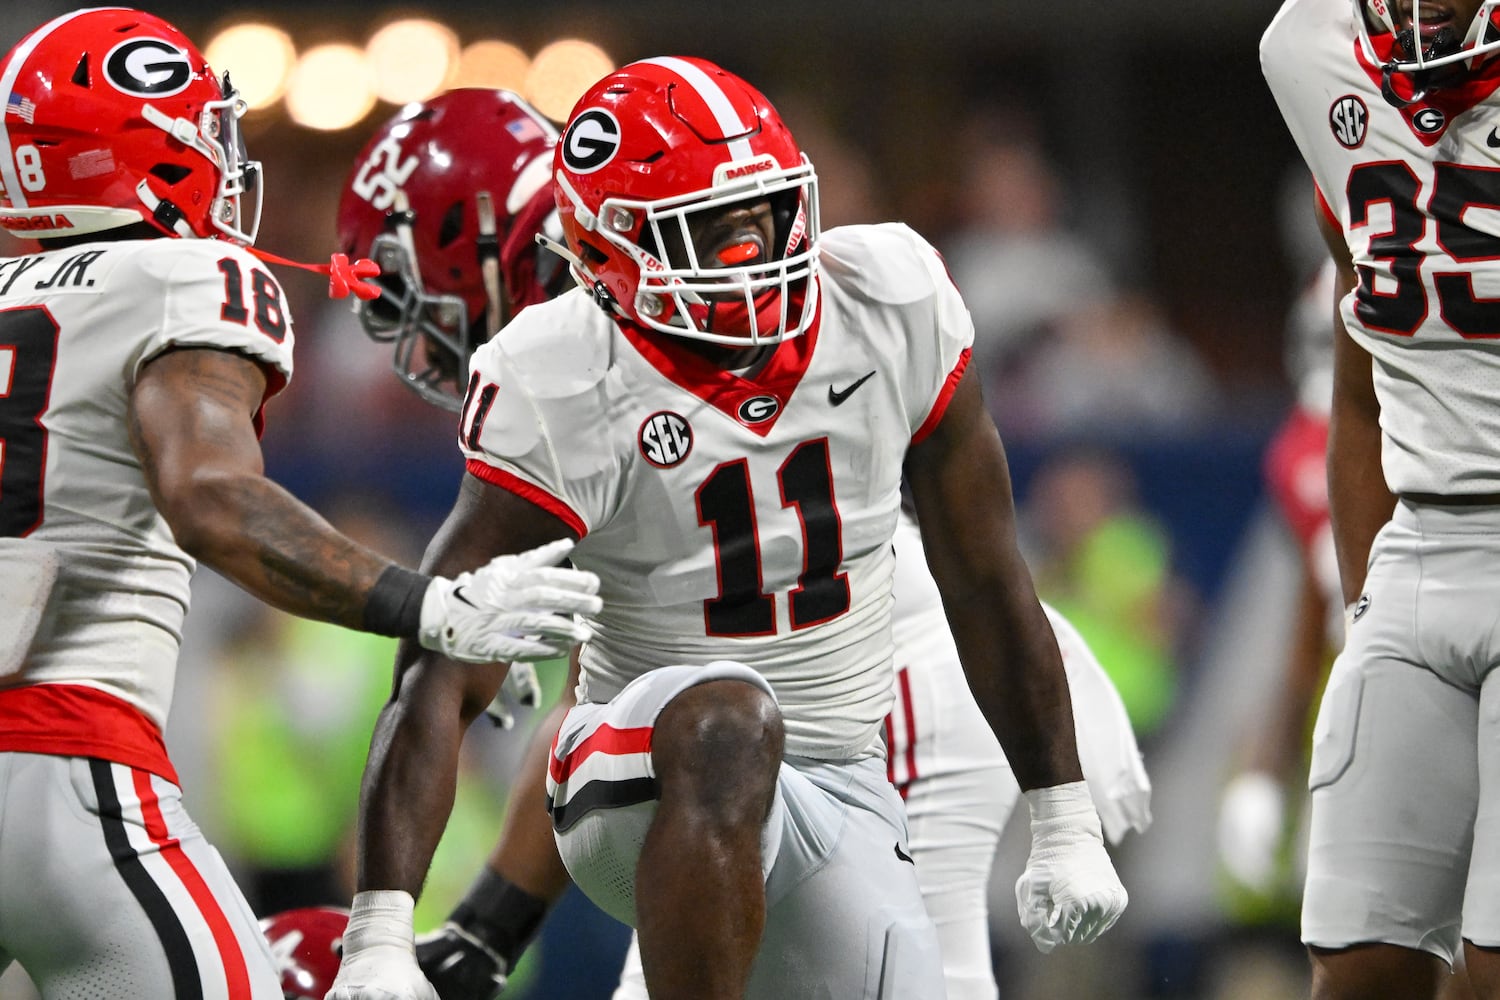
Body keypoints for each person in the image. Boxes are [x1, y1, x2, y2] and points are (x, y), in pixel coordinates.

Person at [328, 57, 1128, 1000]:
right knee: (716, 737)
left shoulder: (885, 299)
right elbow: (518, 676)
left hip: (903, 689)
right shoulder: (561, 370)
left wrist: (1062, 813)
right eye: (712, 231)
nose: (753, 255)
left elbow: (988, 580)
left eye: (759, 219)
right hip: (724, 739)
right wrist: (413, 927)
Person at [0, 10, 601, 998]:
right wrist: (429, 603)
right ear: (147, 152)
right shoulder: (188, 273)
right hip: (72, 761)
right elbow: (209, 495)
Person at [1262, 2, 1500, 998]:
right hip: (1422, 542)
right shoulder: (1306, 52)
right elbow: (1357, 382)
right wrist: (1365, 613)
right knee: (1359, 965)